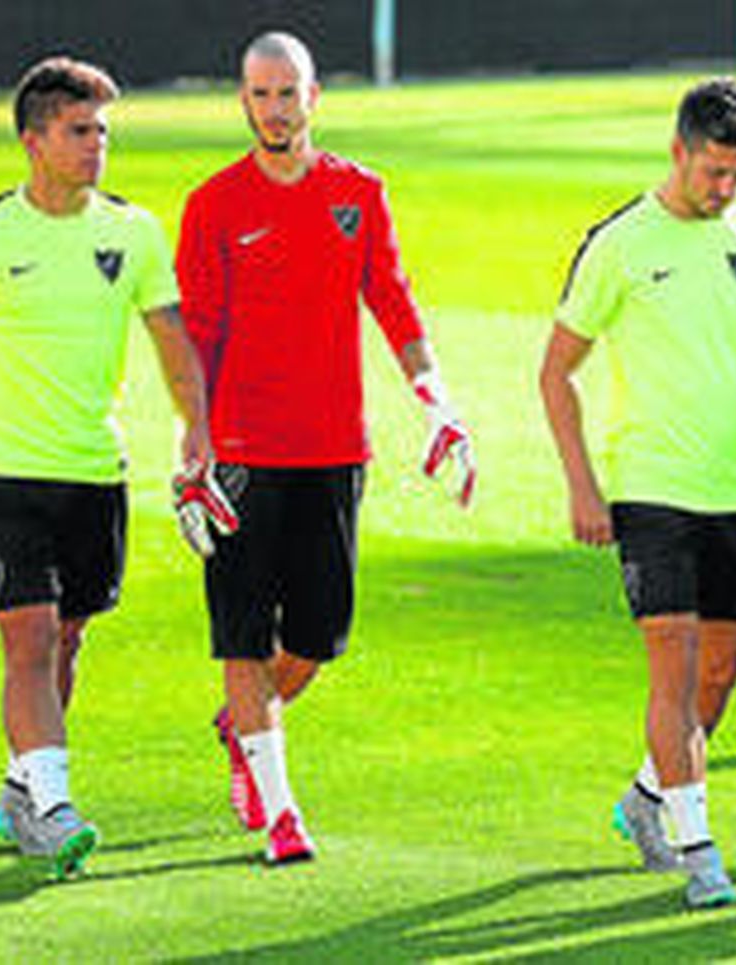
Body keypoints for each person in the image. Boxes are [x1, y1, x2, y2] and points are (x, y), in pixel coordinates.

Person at [0, 56, 212, 878]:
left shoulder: (133, 232)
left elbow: (170, 338)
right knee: (28, 638)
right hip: (1, 473)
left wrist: (196, 429)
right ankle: (56, 805)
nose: (96, 145)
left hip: (94, 472)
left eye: (103, 130)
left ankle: (20, 789)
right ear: (34, 141)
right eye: (79, 131)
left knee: (66, 641)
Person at [176, 31, 475, 866]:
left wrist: (437, 400)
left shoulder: (359, 193)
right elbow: (195, 336)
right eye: (260, 94)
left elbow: (394, 302)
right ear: (243, 100)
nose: (274, 109)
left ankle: (244, 731)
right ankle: (281, 812)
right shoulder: (212, 204)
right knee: (241, 634)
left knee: (314, 639)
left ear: (315, 98)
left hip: (334, 448)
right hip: (239, 452)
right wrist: (191, 446)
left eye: (288, 93)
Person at [539, 78, 736, 909]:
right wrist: (584, 486)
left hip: (730, 491)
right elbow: (557, 372)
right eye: (713, 171)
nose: (725, 188)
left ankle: (647, 801)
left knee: (722, 670)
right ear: (679, 151)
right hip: (649, 488)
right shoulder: (619, 242)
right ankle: (699, 846)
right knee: (676, 661)